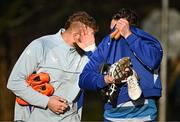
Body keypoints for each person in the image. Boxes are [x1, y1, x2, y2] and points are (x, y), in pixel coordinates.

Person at [7, 11, 98, 122]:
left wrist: (93, 49)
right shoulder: (41, 45)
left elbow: (102, 76)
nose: (91, 41)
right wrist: (47, 101)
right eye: (89, 37)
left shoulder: (88, 54)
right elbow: (14, 82)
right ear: (76, 36)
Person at [79, 8, 163, 121]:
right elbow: (83, 79)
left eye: (115, 27)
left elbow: (153, 61)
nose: (113, 32)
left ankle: (132, 77)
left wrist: (128, 35)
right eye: (112, 29)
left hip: (142, 112)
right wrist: (106, 79)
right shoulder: (107, 43)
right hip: (114, 113)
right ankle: (129, 76)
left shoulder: (145, 40)